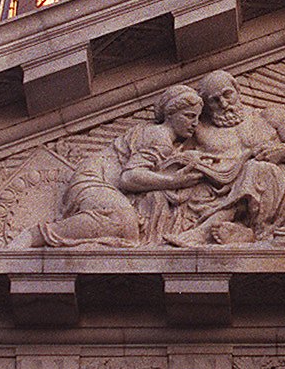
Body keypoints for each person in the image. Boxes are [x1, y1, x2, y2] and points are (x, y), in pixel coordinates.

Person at [166, 71, 285, 246]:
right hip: (220, 193)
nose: (223, 104)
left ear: (237, 90)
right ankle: (248, 231)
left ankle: (203, 232)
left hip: (277, 194)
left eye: (227, 94)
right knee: (251, 170)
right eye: (214, 100)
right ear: (206, 106)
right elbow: (171, 155)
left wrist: (282, 151)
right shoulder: (199, 131)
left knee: (257, 168)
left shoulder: (270, 117)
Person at [32, 84, 203, 247]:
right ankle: (37, 235)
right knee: (123, 221)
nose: (195, 123)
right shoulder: (159, 136)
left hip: (100, 183)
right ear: (170, 114)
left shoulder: (166, 141)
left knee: (128, 232)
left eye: (196, 117)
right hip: (95, 181)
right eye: (188, 115)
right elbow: (129, 177)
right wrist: (175, 181)